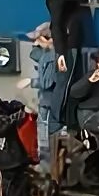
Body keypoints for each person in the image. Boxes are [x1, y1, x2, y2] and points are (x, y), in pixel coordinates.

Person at [46, 0, 89, 135]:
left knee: (70, 82)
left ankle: (66, 121)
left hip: (73, 42)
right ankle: (55, 123)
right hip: (67, 44)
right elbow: (56, 25)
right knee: (64, 84)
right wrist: (60, 54)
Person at [26, 22, 56, 173]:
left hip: (49, 102)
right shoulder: (49, 55)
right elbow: (35, 55)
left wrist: (30, 82)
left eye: (38, 39)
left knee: (45, 135)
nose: (35, 42)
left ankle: (46, 166)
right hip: (47, 101)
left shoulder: (51, 58)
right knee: (44, 133)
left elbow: (47, 82)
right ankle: (47, 165)